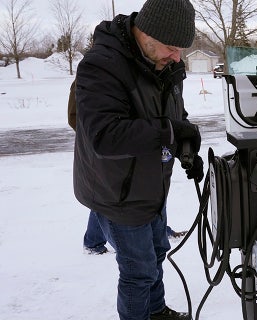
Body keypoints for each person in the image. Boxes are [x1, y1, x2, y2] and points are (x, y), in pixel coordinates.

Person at [72, 0, 203, 319]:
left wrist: (185, 142)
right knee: (138, 272)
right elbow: (104, 134)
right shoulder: (101, 65)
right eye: (172, 47)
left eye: (181, 50)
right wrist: (168, 131)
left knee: (157, 253)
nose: (177, 57)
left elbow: (174, 113)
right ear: (145, 34)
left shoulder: (166, 63)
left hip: (153, 185)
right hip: (117, 190)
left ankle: (155, 311)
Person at [69, 77, 188, 256]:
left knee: (143, 195)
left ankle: (95, 241)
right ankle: (93, 241)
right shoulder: (95, 73)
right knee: (108, 199)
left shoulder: (161, 71)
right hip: (113, 159)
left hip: (150, 157)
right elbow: (77, 117)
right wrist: (104, 142)